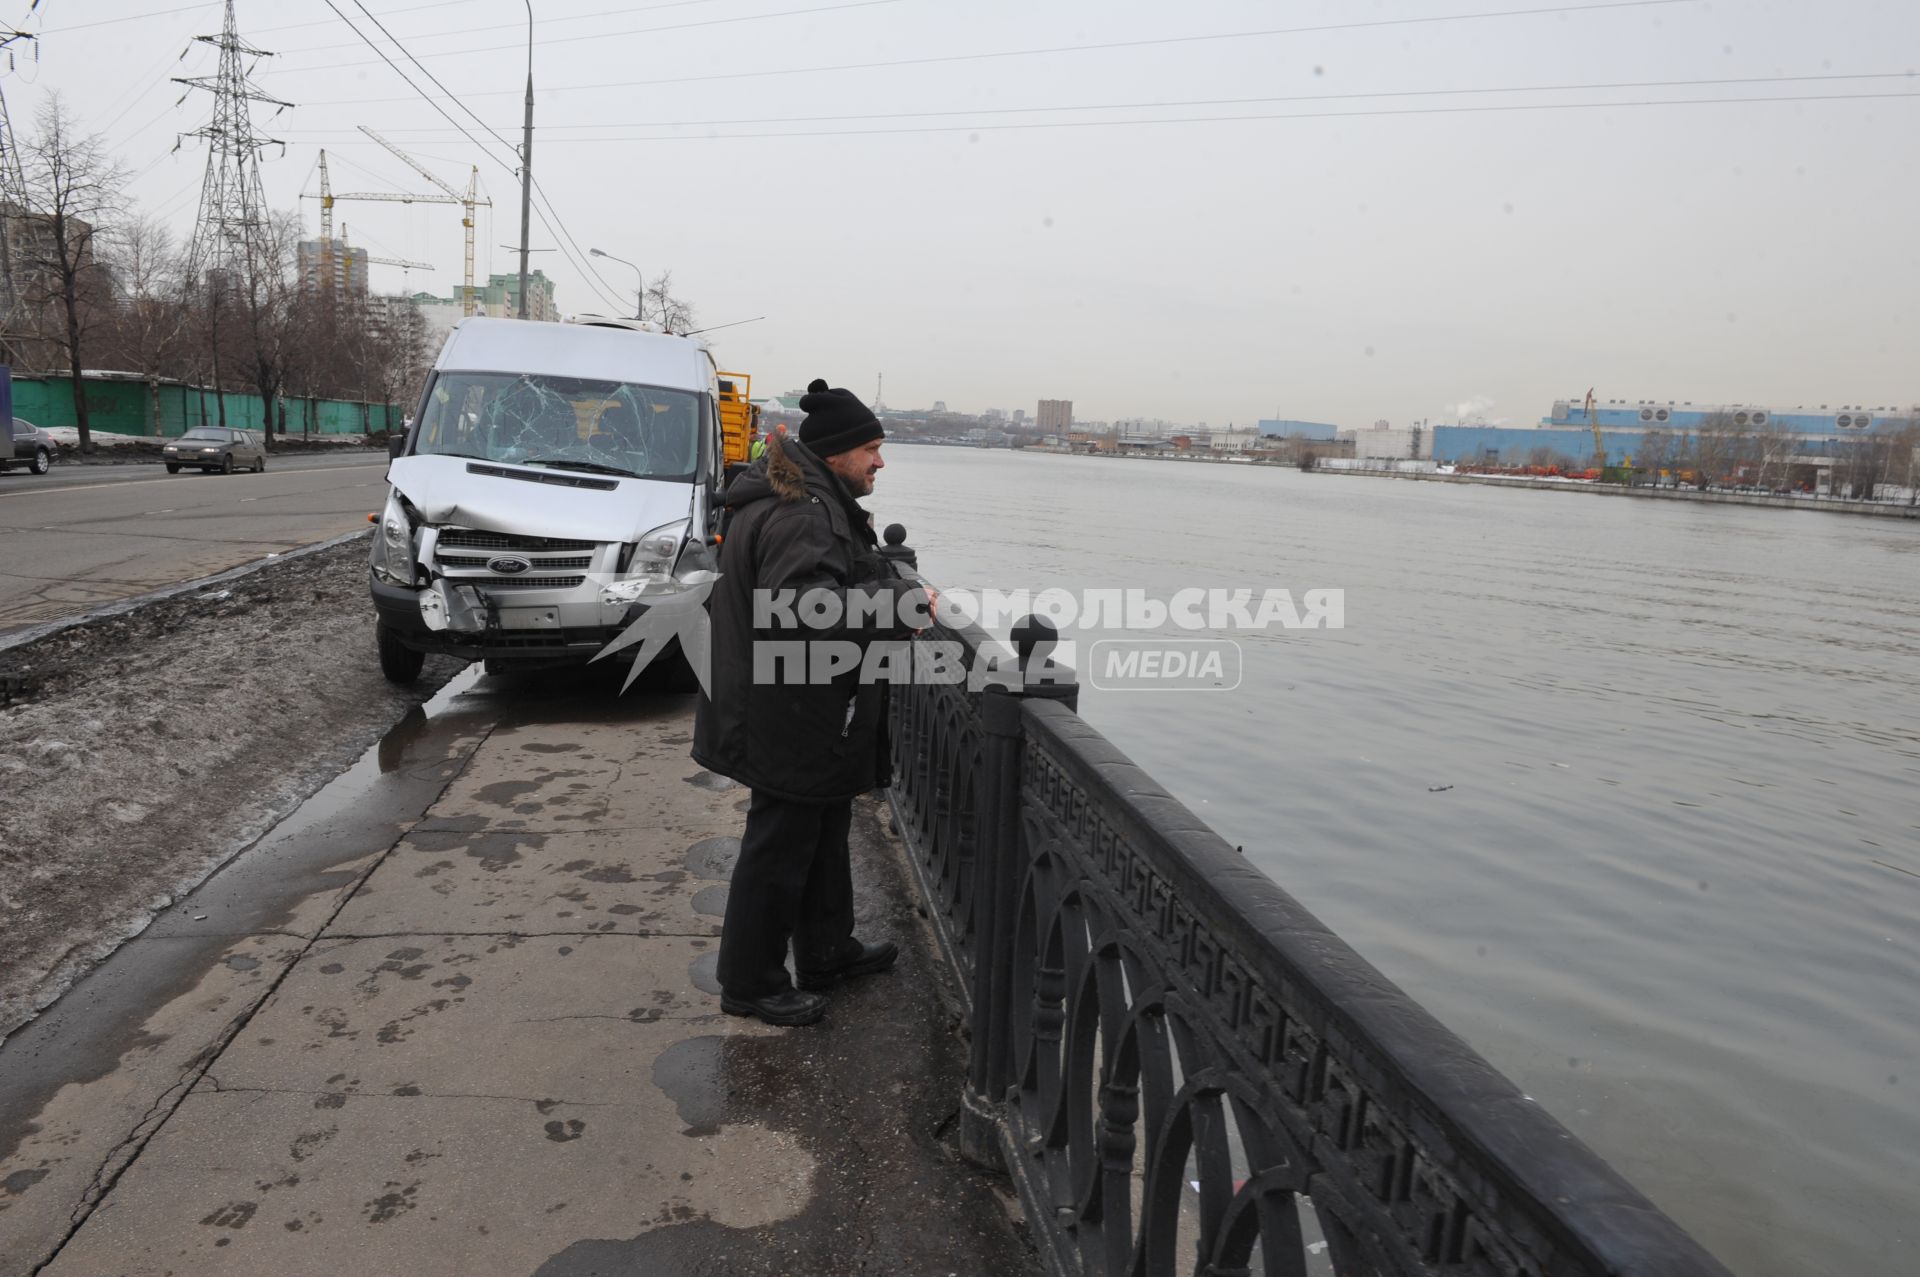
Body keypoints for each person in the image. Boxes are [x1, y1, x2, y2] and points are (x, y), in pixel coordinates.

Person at [692, 378, 932, 1026]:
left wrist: (887, 579)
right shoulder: (803, 511)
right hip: (782, 708)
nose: (880, 461)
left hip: (793, 702)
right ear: (835, 454)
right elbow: (803, 613)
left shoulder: (811, 498)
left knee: (821, 826)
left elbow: (840, 571)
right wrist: (902, 604)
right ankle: (750, 981)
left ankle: (826, 949)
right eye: (872, 449)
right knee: (779, 843)